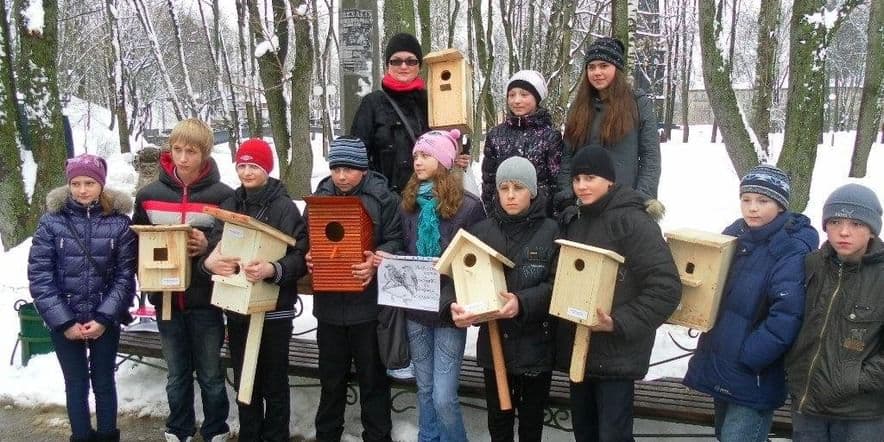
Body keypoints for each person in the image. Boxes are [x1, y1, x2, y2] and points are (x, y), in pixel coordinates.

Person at [683, 164, 819, 442]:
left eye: (762, 200)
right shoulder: (733, 236)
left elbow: (787, 315)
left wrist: (751, 356)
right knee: (725, 435)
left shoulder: (790, 249)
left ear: (780, 205)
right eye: (746, 199)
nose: (752, 208)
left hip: (754, 372)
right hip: (723, 361)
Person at [555, 146, 681, 441]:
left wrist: (617, 321)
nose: (582, 186)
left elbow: (666, 287)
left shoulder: (633, 222)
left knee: (613, 435)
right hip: (580, 353)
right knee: (585, 433)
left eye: (590, 178)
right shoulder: (576, 220)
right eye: (576, 179)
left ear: (609, 180)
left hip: (616, 355)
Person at [132, 118, 233, 442]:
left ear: (205, 153)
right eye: (177, 149)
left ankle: (216, 428)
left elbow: (231, 241)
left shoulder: (222, 195)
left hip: (206, 301)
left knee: (210, 374)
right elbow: (137, 245)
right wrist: (145, 282)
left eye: (191, 151)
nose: (183, 157)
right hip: (165, 302)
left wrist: (208, 246)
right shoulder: (148, 195)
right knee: (176, 374)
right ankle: (179, 427)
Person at [202, 139, 308, 442]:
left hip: (274, 310)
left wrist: (273, 270)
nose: (247, 172)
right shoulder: (231, 204)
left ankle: (276, 436)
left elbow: (299, 254)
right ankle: (250, 434)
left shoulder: (284, 207)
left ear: (267, 169)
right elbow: (216, 244)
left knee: (273, 382)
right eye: (242, 165)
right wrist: (212, 262)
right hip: (238, 309)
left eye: (254, 166)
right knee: (245, 380)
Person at [28, 154, 137, 442]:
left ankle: (106, 434)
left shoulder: (119, 224)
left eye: (89, 183)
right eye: (75, 183)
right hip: (65, 318)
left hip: (104, 318)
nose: (82, 190)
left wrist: (104, 317)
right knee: (75, 384)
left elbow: (125, 276)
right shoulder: (52, 223)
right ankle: (80, 435)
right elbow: (40, 276)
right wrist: (64, 321)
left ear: (101, 184)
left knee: (103, 382)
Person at [449, 156, 559, 441]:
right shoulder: (482, 232)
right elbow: (462, 278)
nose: (510, 195)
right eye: (504, 188)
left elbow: (556, 285)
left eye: (519, 188)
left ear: (532, 192)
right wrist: (461, 308)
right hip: (495, 346)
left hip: (536, 348)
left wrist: (522, 303)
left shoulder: (551, 232)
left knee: (531, 423)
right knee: (499, 422)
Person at [308, 136, 404, 442]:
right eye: (336, 168)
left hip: (367, 307)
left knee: (372, 379)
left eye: (349, 168)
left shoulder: (382, 197)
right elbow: (307, 237)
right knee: (331, 380)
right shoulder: (320, 195)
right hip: (329, 308)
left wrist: (376, 261)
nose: (341, 175)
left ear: (363, 169)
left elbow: (396, 240)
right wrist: (309, 255)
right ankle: (327, 435)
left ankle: (377, 436)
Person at [396, 128, 486, 442]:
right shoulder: (408, 202)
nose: (418, 162)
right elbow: (401, 247)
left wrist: (456, 300)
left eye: (425, 155)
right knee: (425, 390)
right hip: (415, 310)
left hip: (449, 311)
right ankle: (427, 438)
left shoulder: (469, 207)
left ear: (444, 160)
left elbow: (474, 266)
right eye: (416, 156)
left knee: (444, 397)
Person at [785, 184, 884, 441]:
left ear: (872, 230)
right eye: (835, 221)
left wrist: (854, 380)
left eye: (856, 224)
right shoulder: (810, 265)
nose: (843, 232)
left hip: (861, 412)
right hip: (807, 404)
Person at [350, 32, 469, 193]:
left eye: (411, 61)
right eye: (396, 61)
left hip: (428, 198)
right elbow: (357, 156)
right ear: (387, 66)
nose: (404, 66)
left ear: (419, 66)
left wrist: (458, 156)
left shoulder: (434, 102)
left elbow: (449, 144)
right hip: (385, 203)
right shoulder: (372, 103)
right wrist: (377, 193)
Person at [556, 37, 662, 216]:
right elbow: (567, 157)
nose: (597, 72)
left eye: (604, 66)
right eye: (592, 67)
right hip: (584, 204)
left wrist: (641, 200)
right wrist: (567, 199)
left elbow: (650, 157)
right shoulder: (578, 107)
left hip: (625, 205)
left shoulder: (638, 104)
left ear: (617, 68)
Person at [481, 70, 563, 214]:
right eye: (512, 95)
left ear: (537, 98)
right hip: (503, 218)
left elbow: (556, 182)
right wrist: (493, 214)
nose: (517, 100)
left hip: (539, 219)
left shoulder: (550, 136)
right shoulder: (495, 135)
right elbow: (489, 182)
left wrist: (551, 218)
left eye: (524, 95)